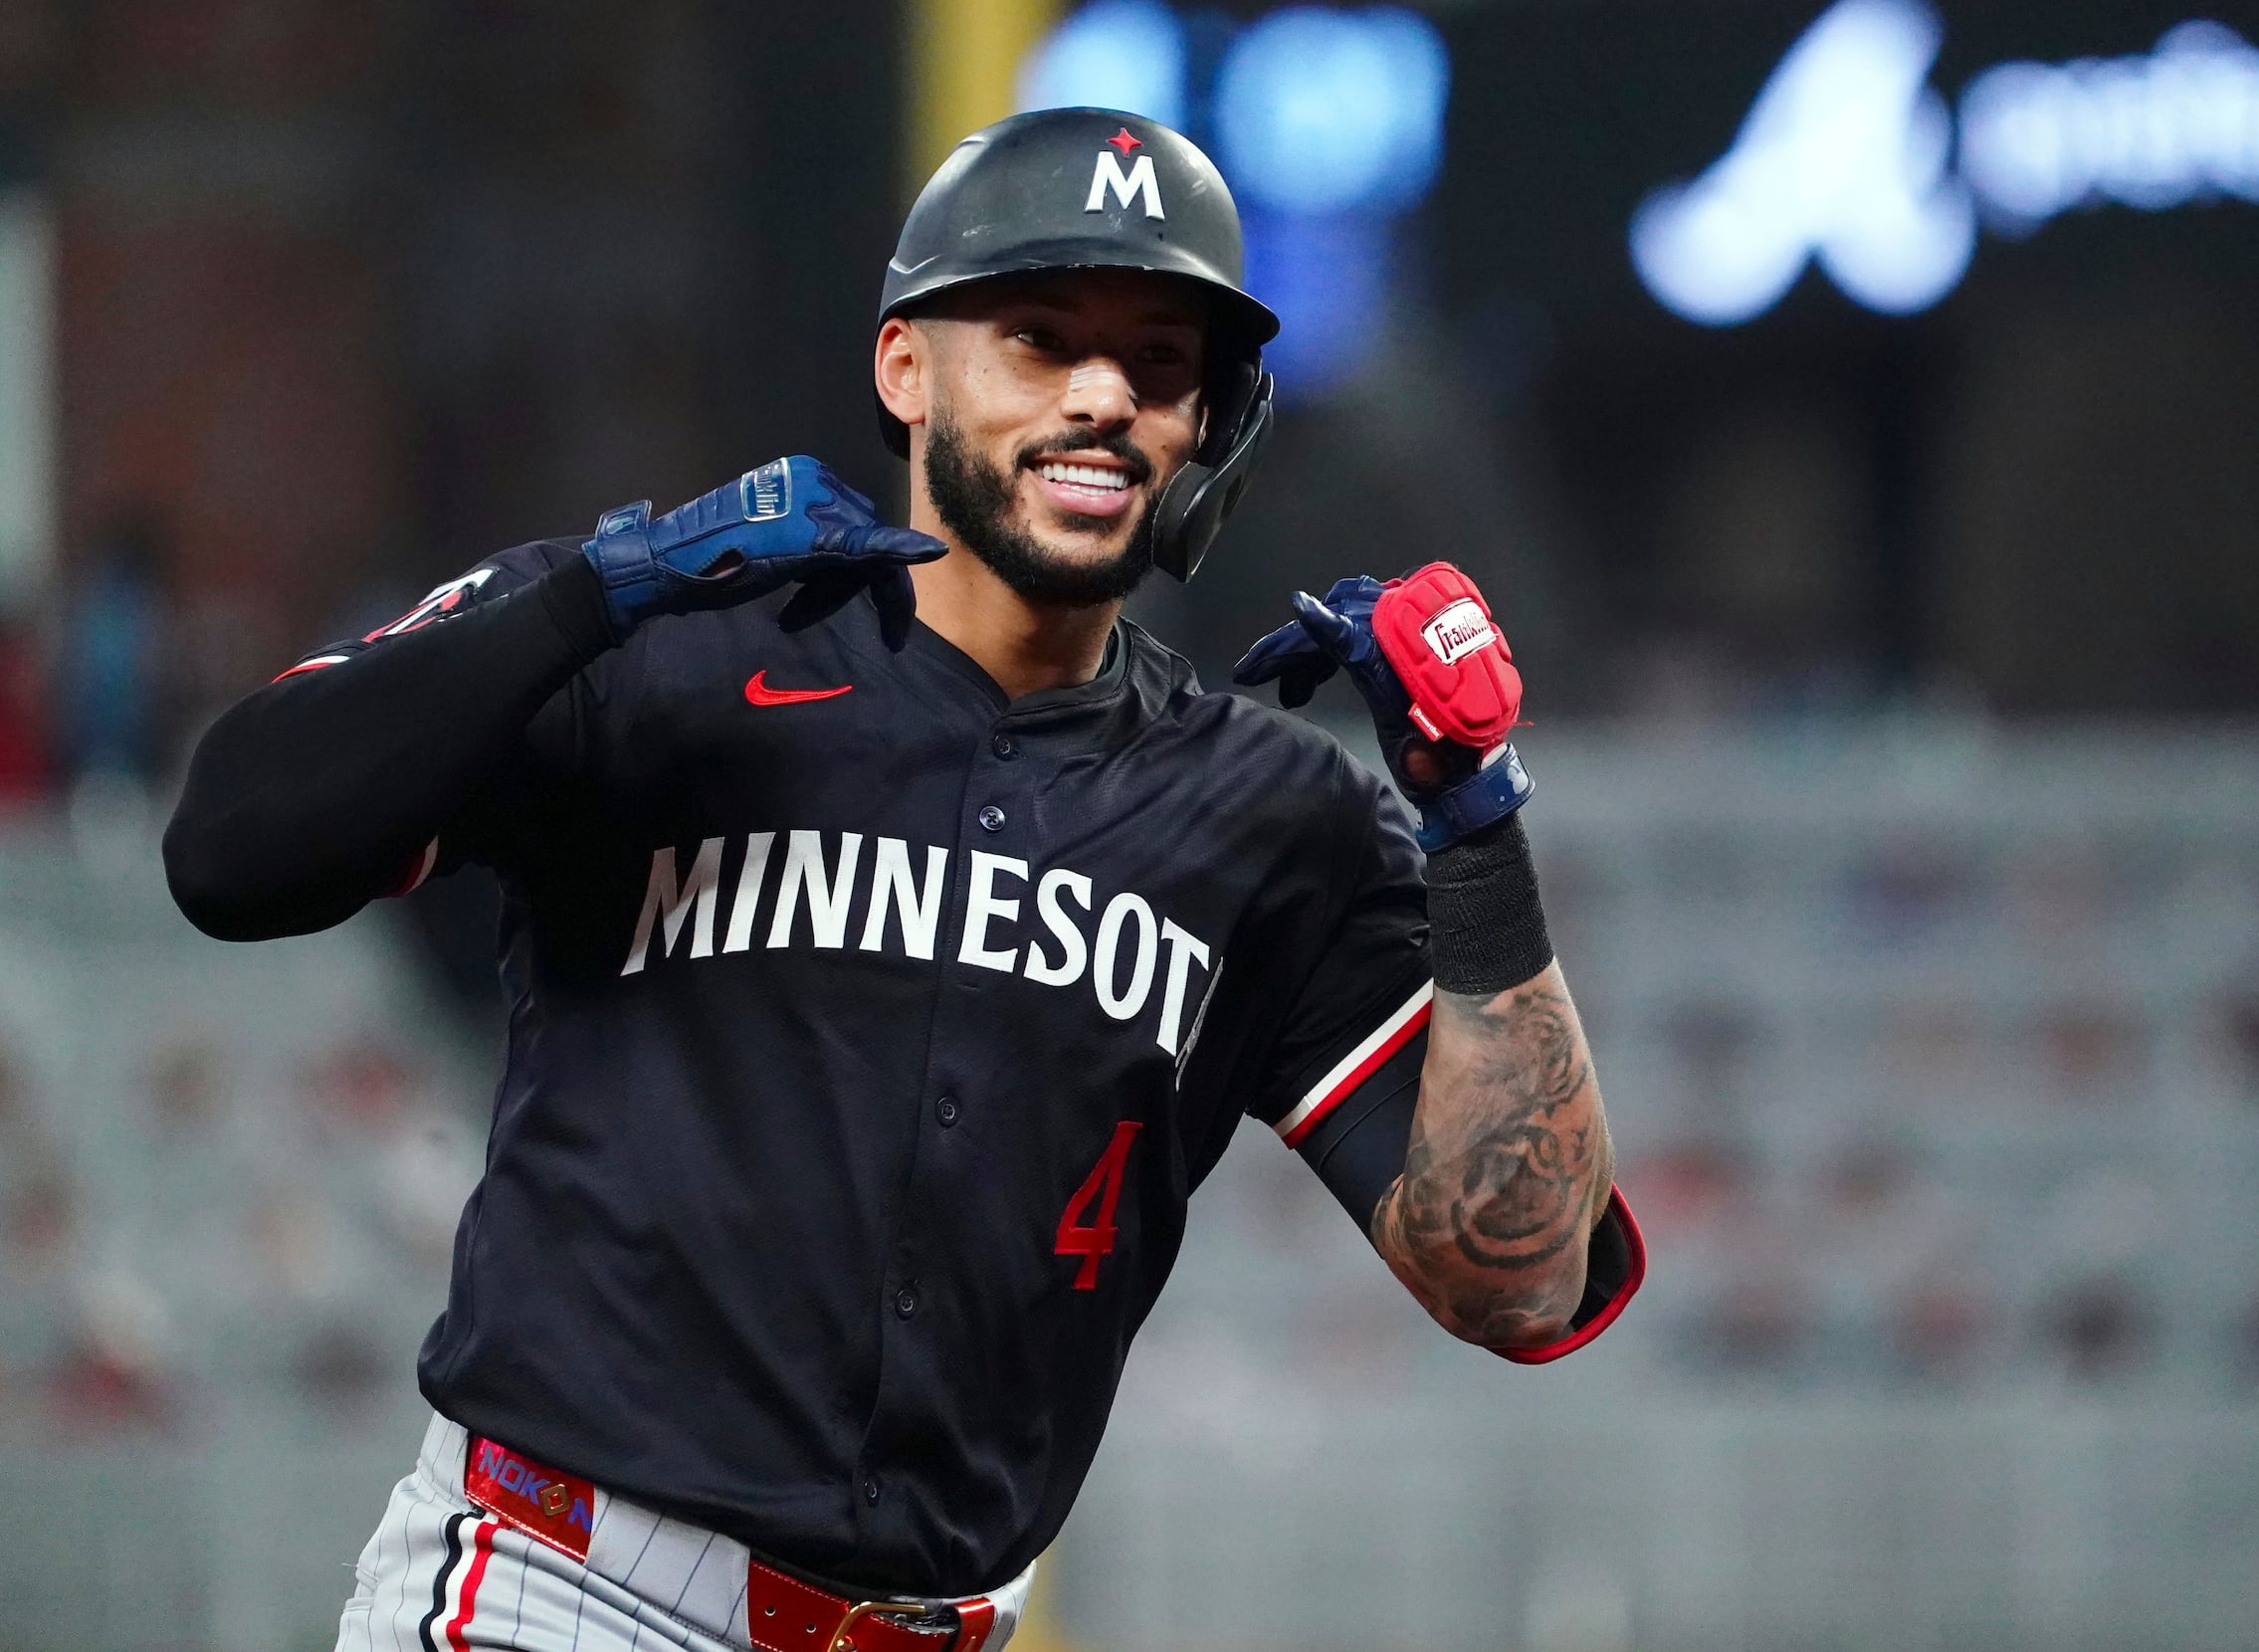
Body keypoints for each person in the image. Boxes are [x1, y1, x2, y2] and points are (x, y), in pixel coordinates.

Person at [163, 108, 1641, 1652]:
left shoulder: (1275, 816)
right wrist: (585, 597)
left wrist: (1475, 824)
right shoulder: (665, 649)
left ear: (1216, 424)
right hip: (560, 1590)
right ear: (905, 367)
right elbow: (230, 848)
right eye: (1038, 335)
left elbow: (1523, 1279)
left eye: (1160, 357)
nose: (1101, 396)